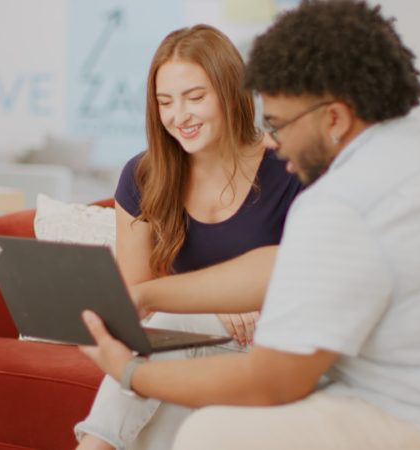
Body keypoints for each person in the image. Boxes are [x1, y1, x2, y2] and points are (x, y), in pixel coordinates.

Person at [78, 1, 420, 449]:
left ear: (334, 119)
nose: (272, 144)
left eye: (277, 124)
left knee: (214, 434)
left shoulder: (346, 201)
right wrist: (149, 298)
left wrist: (132, 373)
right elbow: (275, 270)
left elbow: (270, 381)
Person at [74, 25, 303, 450]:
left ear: (231, 91)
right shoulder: (143, 176)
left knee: (170, 325)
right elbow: (134, 296)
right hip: (188, 346)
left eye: (194, 97)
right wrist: (219, 301)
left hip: (270, 344)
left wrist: (238, 298)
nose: (179, 116)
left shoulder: (287, 167)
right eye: (165, 102)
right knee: (168, 386)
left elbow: (310, 279)